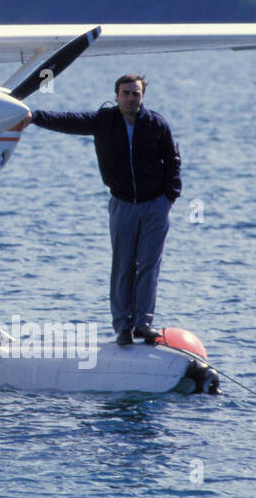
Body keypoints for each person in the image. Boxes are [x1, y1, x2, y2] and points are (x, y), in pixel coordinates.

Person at [16, 75, 182, 346]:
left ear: (143, 96)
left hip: (155, 205)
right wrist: (36, 116)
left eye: (136, 94)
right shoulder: (103, 121)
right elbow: (69, 120)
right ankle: (123, 328)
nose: (131, 98)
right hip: (123, 204)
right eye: (126, 93)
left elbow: (173, 159)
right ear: (117, 96)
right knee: (123, 265)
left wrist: (170, 196)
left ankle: (143, 324)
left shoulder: (156, 123)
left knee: (149, 265)